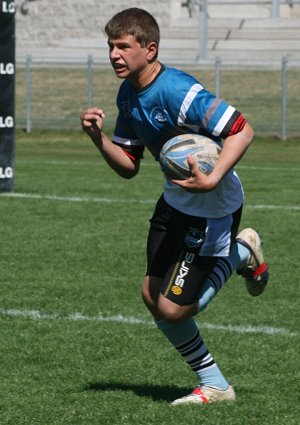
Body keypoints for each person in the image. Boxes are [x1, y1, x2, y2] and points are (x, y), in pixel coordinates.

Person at [80, 7, 269, 405]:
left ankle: (239, 252)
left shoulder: (178, 91)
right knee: (151, 295)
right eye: (111, 46)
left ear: (150, 50)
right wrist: (99, 139)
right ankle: (215, 384)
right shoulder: (128, 95)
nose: (114, 54)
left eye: (123, 46)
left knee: (174, 309)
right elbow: (129, 167)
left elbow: (242, 129)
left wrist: (213, 177)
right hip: (173, 203)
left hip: (213, 207)